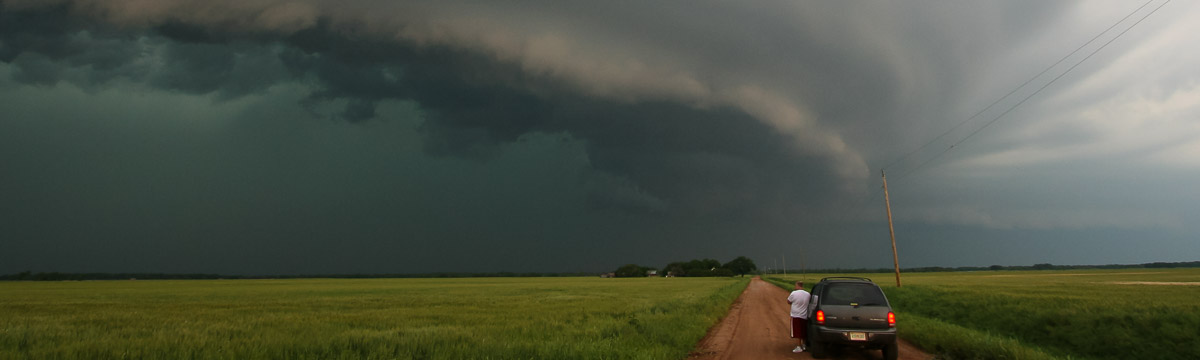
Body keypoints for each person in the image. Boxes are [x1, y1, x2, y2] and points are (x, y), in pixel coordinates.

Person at [786, 281, 810, 353]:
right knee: (803, 330)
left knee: (797, 331)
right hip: (804, 315)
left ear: (797, 285)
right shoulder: (808, 294)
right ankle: (804, 345)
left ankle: (799, 346)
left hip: (796, 315)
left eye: (795, 285)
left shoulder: (794, 293)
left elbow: (788, 301)